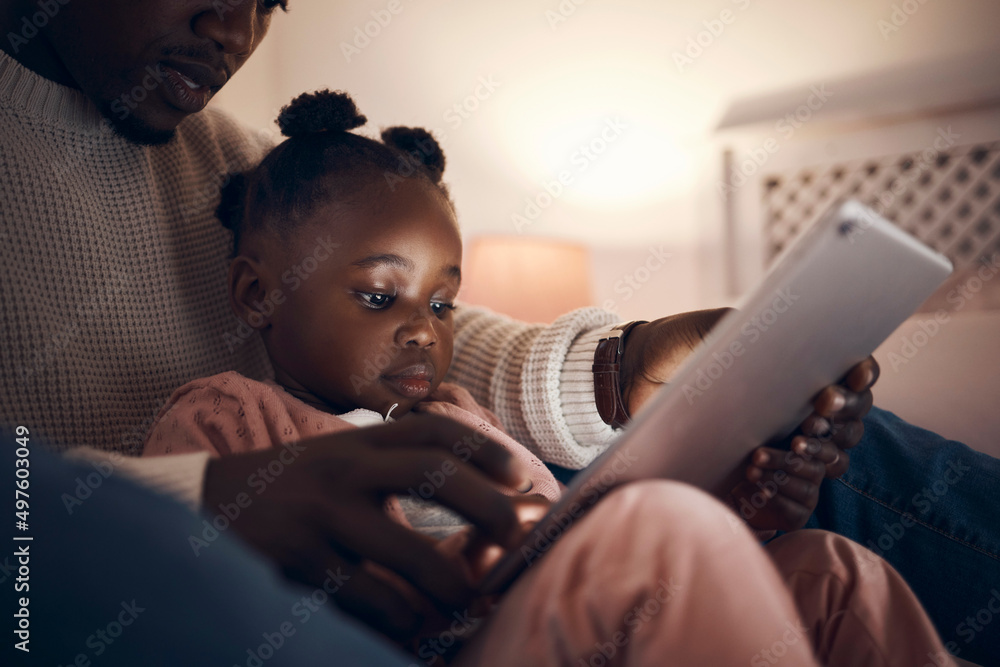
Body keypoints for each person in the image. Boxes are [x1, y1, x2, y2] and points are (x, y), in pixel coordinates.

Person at [0, 1, 995, 663]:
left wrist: (631, 373)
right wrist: (201, 504)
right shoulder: (228, 416)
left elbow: (525, 487)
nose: (234, 28)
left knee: (829, 553)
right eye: (386, 298)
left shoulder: (250, 157)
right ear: (254, 293)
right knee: (665, 533)